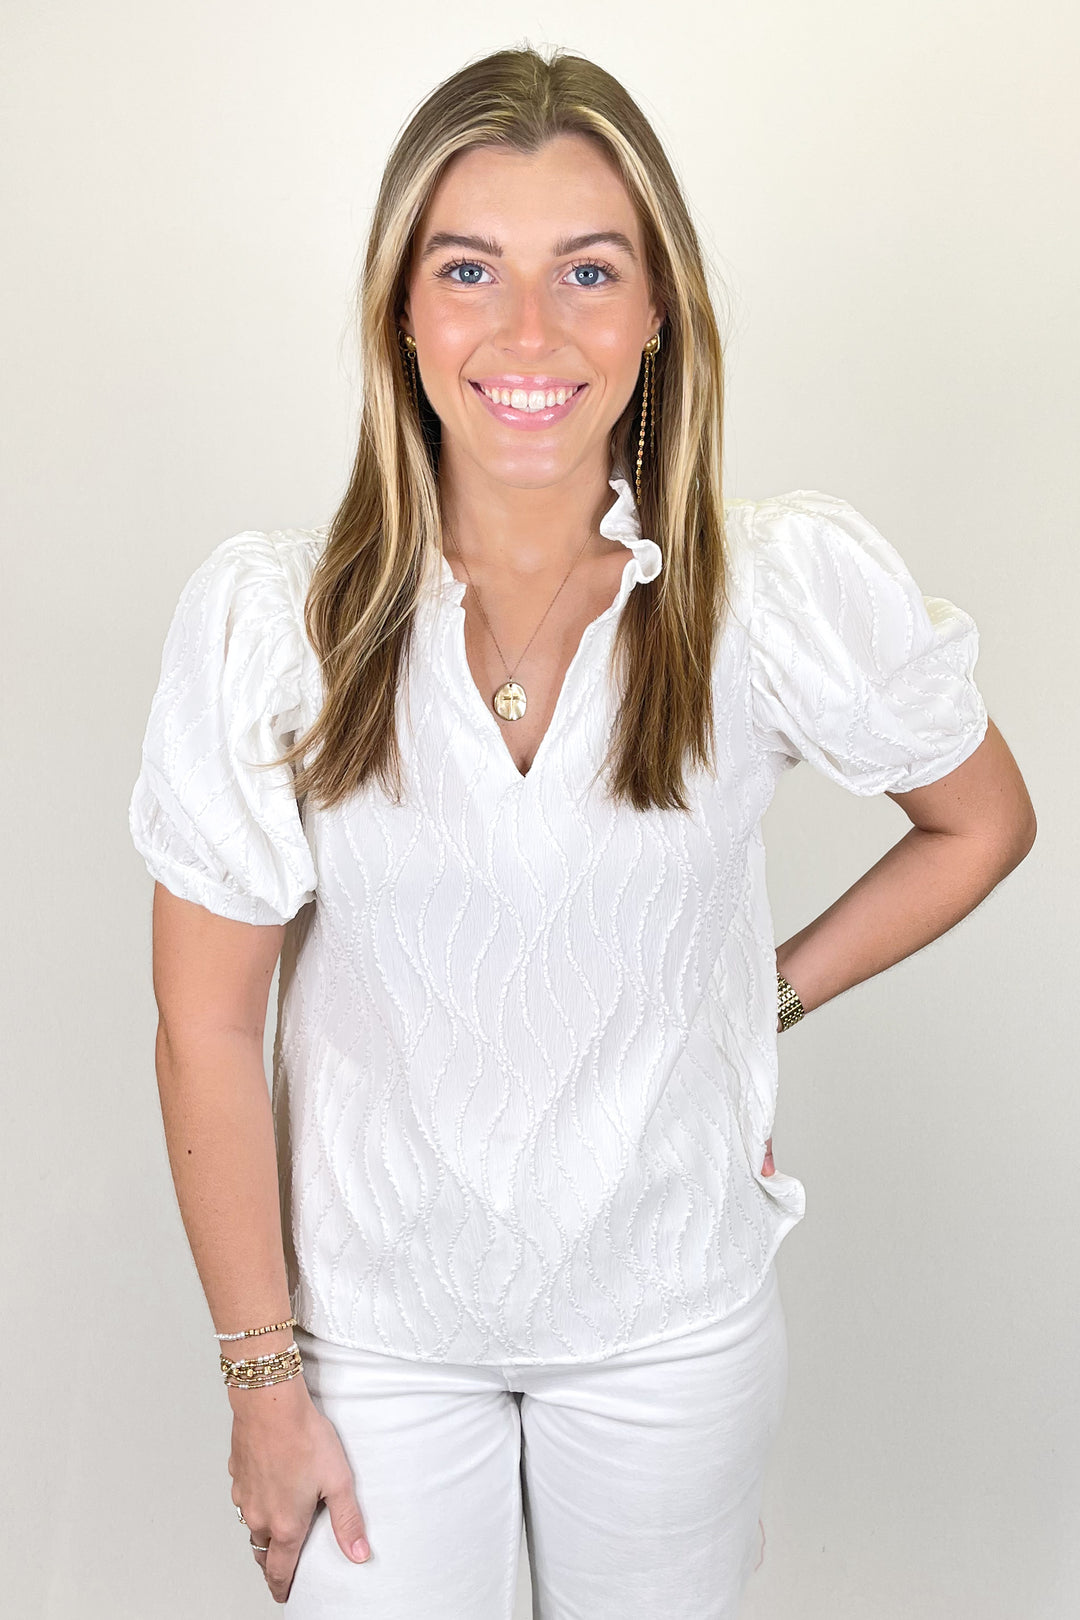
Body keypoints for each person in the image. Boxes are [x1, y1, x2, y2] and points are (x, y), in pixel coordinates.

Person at [127, 44, 1036, 1620]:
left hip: (671, 1321)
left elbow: (981, 820)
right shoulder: (275, 625)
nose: (529, 333)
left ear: (658, 309)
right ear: (400, 311)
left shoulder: (767, 598)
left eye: (588, 272)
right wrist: (262, 1383)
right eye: (470, 268)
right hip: (369, 1334)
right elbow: (207, 1021)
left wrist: (754, 1002)